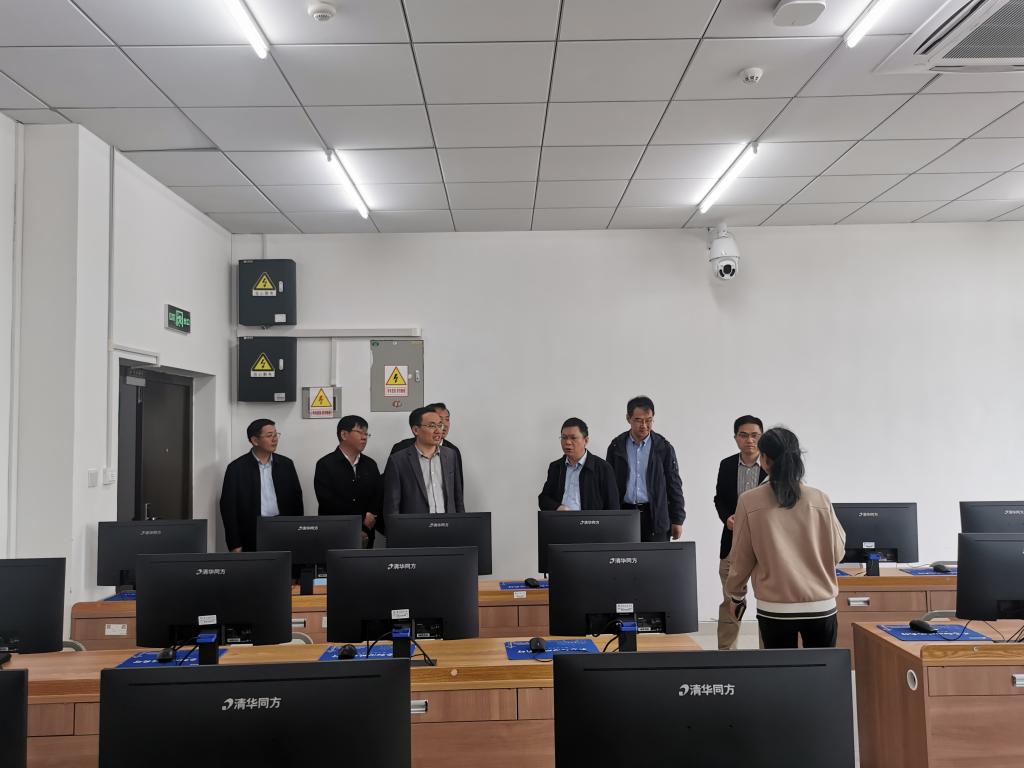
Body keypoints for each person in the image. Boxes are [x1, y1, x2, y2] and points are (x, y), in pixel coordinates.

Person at [725, 427, 846, 649]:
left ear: (765, 460)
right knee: (822, 670)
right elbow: (838, 552)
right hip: (821, 607)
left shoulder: (749, 501)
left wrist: (736, 596)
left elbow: (741, 558)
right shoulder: (820, 499)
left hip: (775, 609)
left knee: (780, 671)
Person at [714, 415, 769, 650]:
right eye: (744, 435)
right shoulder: (727, 465)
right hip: (733, 542)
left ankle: (770, 653)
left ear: (762, 437)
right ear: (736, 437)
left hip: (765, 545)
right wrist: (727, 518)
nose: (750, 440)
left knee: (768, 601)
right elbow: (719, 499)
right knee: (731, 600)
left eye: (755, 435)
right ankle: (726, 654)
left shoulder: (771, 465)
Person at [605, 396, 686, 541]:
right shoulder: (616, 446)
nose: (644, 425)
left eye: (649, 420)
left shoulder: (663, 447)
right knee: (625, 555)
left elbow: (674, 484)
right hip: (624, 514)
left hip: (655, 515)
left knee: (656, 556)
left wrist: (678, 520)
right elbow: (608, 485)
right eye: (638, 420)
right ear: (628, 418)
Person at [219, 419, 303, 553]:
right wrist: (234, 544)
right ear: (255, 440)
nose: (275, 439)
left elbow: (297, 501)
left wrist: (298, 532)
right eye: (269, 435)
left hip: (283, 529)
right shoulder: (236, 468)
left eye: (276, 434)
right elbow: (228, 508)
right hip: (251, 531)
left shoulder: (286, 464)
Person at [314, 415, 383, 547]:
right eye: (360, 432)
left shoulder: (370, 464)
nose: (364, 437)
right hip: (335, 532)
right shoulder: (325, 464)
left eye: (366, 434)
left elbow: (377, 495)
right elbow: (327, 501)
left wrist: (367, 522)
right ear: (344, 435)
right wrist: (360, 519)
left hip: (366, 532)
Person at [382, 406, 465, 516]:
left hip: (447, 524)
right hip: (415, 525)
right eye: (432, 426)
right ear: (416, 430)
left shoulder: (450, 455)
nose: (438, 431)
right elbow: (392, 505)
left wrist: (460, 522)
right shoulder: (398, 460)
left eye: (440, 425)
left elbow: (458, 498)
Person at [539, 418, 619, 511]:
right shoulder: (556, 467)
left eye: (573, 438)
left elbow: (613, 507)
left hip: (591, 520)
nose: (568, 442)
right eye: (564, 437)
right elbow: (543, 499)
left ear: (586, 440)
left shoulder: (603, 468)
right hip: (561, 518)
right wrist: (558, 507)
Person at [390, 402, 463, 482]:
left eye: (447, 419)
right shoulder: (401, 449)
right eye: (439, 420)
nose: (444, 424)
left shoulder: (452, 452)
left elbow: (457, 485)